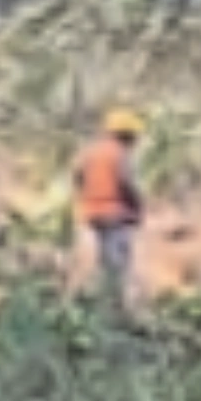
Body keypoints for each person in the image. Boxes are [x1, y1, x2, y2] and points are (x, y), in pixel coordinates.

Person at [76, 109, 146, 309]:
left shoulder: (90, 152)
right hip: (116, 213)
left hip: (93, 213)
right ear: (126, 135)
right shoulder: (118, 153)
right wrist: (138, 204)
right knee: (119, 262)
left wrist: (87, 196)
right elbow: (126, 182)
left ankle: (104, 299)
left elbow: (78, 176)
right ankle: (117, 305)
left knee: (105, 259)